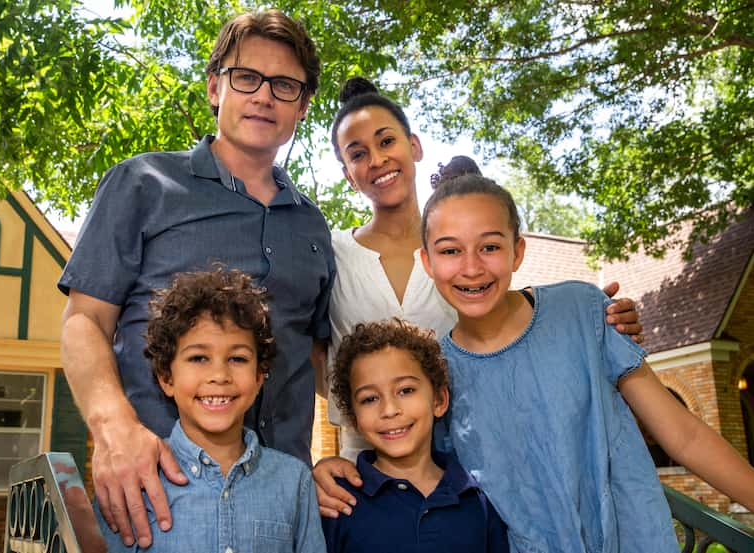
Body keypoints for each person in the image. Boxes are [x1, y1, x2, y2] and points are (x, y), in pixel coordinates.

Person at [317, 169, 754, 552]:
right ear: (428, 262)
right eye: (450, 251)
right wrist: (328, 470)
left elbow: (684, 435)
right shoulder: (438, 372)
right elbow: (409, 463)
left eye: (489, 247)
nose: (471, 268)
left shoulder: (582, 311)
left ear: (517, 251)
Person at [58, 10, 335, 548]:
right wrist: (113, 428)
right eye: (245, 77)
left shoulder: (314, 225)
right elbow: (83, 321)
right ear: (215, 87)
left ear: (301, 106)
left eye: (284, 85)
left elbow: (320, 360)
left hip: (281, 510)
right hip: (154, 498)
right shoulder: (142, 184)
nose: (263, 96)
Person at [322, 76, 643, 463]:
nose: (376, 160)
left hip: (475, 455)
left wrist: (596, 322)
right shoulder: (332, 253)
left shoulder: (463, 250)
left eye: (387, 141)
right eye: (357, 154)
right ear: (347, 175)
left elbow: (510, 325)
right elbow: (309, 350)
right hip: (365, 463)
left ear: (414, 145)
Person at [96, 268, 326, 552]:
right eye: (199, 357)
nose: (219, 374)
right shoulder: (135, 481)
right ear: (167, 378)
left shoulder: (294, 482)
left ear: (258, 378)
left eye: (238, 358)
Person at [322, 318, 508, 553]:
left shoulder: (477, 501)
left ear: (439, 401)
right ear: (353, 419)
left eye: (406, 390)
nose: (389, 410)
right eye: (370, 399)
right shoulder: (337, 501)